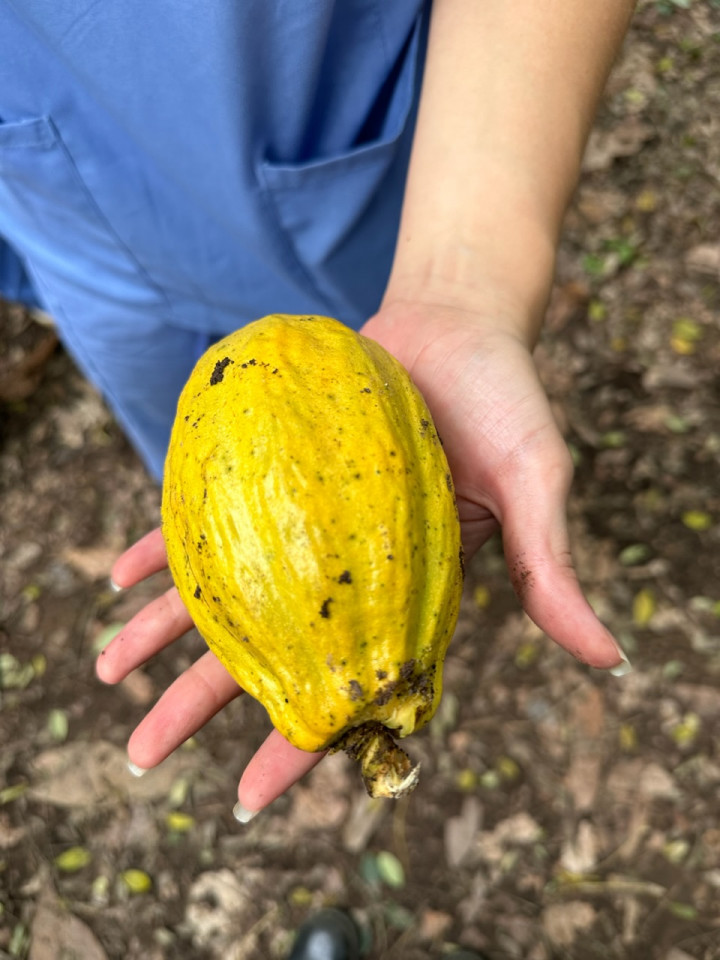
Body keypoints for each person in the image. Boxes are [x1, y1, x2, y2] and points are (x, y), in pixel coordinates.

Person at [3, 0, 635, 821]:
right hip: (63, 209)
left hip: (332, 161)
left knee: (375, 390)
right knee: (179, 438)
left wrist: (464, 287)